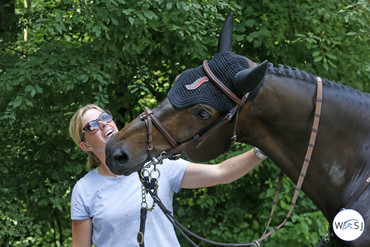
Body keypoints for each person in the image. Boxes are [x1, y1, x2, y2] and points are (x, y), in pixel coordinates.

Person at [69, 104, 267, 247]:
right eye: (92, 126)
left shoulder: (157, 165)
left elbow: (221, 172)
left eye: (104, 117)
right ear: (85, 145)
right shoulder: (84, 189)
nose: (102, 124)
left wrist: (264, 149)